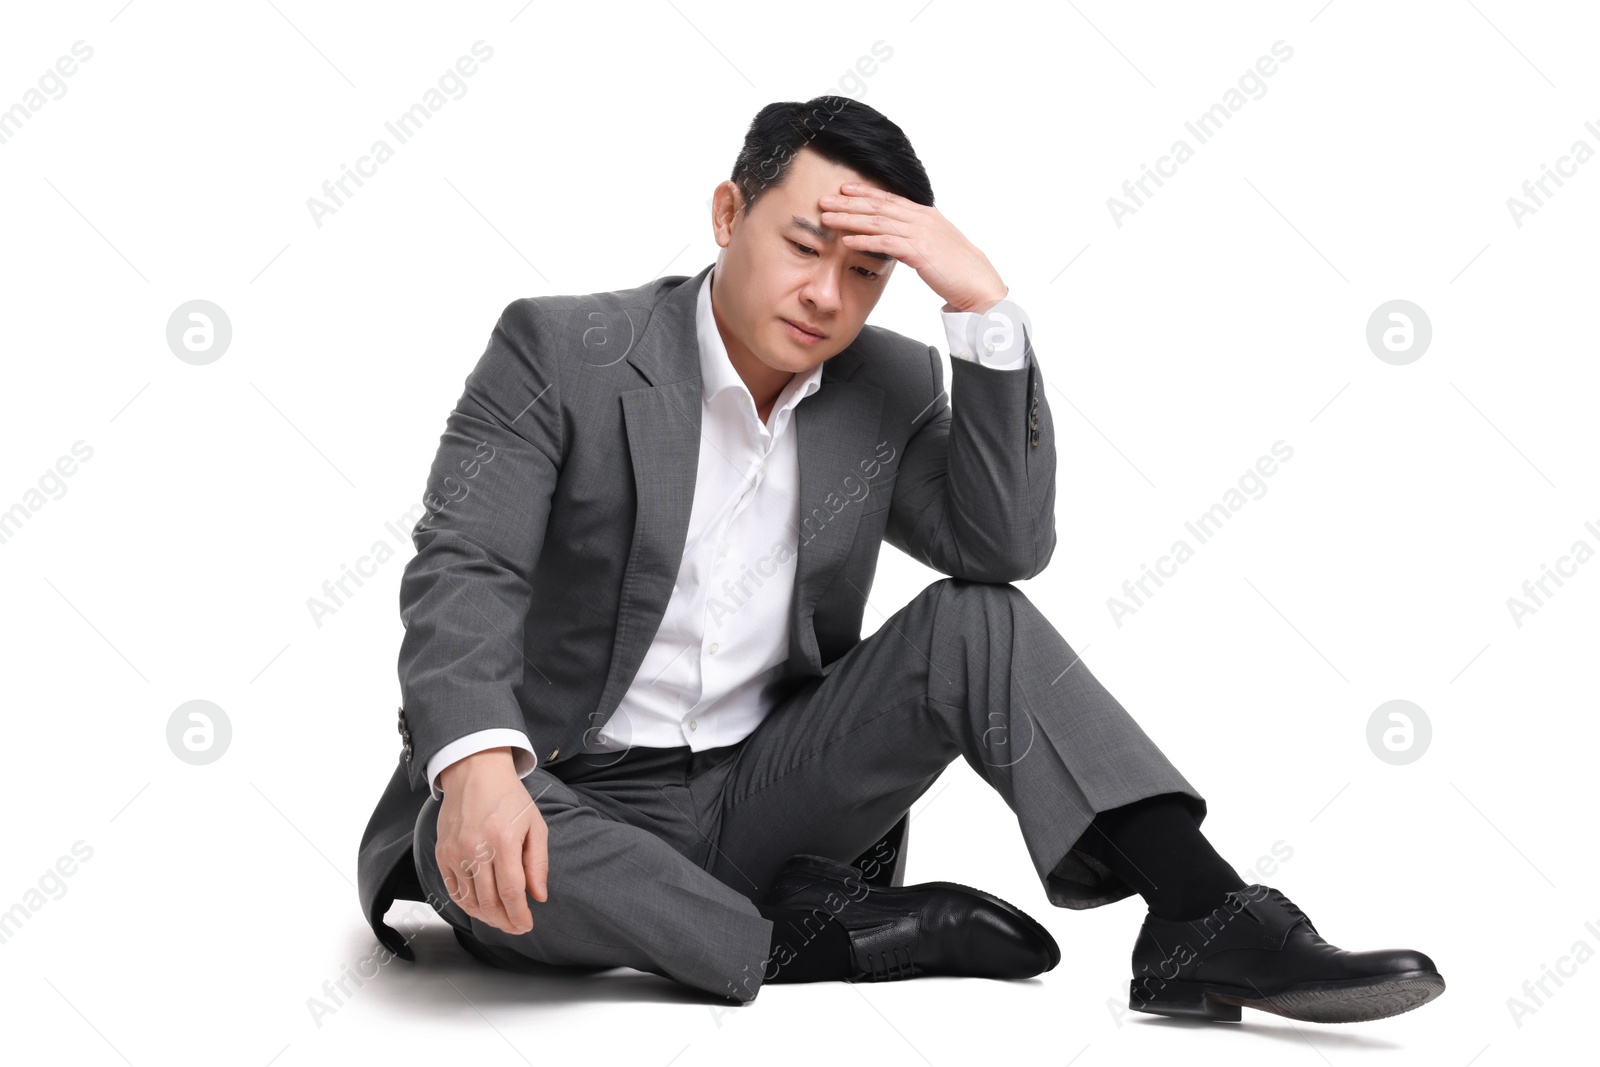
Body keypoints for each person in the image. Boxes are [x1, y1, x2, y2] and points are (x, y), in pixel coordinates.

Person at [357, 96, 1445, 1023]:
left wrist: (982, 312)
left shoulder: (886, 381)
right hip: (561, 793)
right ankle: (815, 935)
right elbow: (465, 564)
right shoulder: (562, 349)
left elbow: (1001, 548)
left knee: (978, 619)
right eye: (801, 245)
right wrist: (477, 770)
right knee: (498, 854)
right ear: (729, 211)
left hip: (765, 790)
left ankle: (1204, 915)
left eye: (867, 268)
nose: (828, 293)